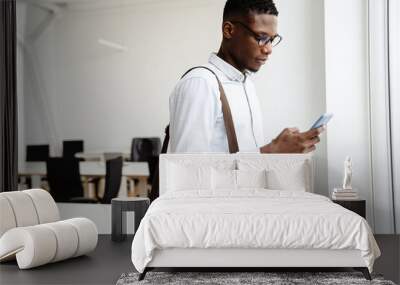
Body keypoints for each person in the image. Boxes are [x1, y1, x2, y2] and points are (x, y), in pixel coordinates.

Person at [168, 0, 323, 154]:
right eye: (261, 38)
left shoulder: (247, 84)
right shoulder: (201, 84)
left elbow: (248, 156)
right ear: (229, 30)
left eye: (272, 40)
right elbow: (186, 170)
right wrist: (271, 151)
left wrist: (279, 151)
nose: (268, 49)